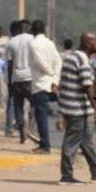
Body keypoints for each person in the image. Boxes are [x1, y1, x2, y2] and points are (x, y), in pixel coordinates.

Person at [58, 33, 96, 185]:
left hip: (71, 106)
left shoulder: (72, 56)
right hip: (77, 109)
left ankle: (95, 171)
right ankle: (66, 175)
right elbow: (88, 86)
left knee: (86, 140)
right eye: (95, 42)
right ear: (87, 44)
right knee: (72, 141)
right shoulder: (82, 60)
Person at [28, 20, 62, 154]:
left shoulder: (33, 44)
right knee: (48, 114)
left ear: (33, 30)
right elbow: (58, 61)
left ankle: (45, 145)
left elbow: (40, 62)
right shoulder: (50, 43)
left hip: (40, 84)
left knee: (41, 116)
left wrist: (50, 73)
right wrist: (55, 79)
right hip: (51, 84)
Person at [7, 19, 34, 143]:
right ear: (28, 28)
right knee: (34, 103)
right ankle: (31, 129)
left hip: (16, 77)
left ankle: (22, 133)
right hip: (29, 77)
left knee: (18, 106)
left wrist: (9, 80)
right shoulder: (32, 40)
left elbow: (10, 64)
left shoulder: (12, 42)